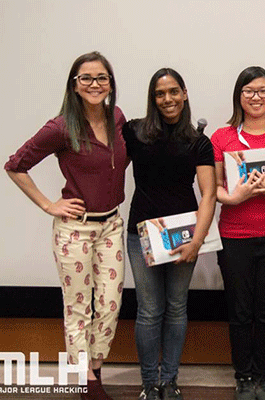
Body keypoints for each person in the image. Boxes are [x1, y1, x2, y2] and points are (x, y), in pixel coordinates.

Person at [5, 51, 128, 400]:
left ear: (110, 83)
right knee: (78, 307)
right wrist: (48, 204)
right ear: (74, 86)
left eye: (102, 77)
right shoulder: (61, 127)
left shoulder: (117, 118)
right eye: (86, 78)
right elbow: (15, 165)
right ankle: (86, 378)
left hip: (111, 226)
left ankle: (93, 367)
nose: (94, 84)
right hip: (76, 229)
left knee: (108, 305)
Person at [123, 68, 217, 400]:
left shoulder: (199, 142)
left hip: (183, 236)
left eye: (173, 91)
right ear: (153, 99)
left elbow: (209, 194)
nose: (168, 99)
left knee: (176, 306)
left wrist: (198, 239)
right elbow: (104, 166)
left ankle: (170, 381)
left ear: (185, 94)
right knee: (149, 309)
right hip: (142, 233)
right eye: (160, 94)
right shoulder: (134, 132)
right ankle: (150, 384)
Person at [210, 66, 265, 400]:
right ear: (239, 96)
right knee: (240, 311)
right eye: (249, 91)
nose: (256, 97)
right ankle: (243, 378)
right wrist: (233, 198)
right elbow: (213, 188)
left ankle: (262, 377)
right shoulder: (222, 137)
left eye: (263, 91)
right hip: (234, 235)